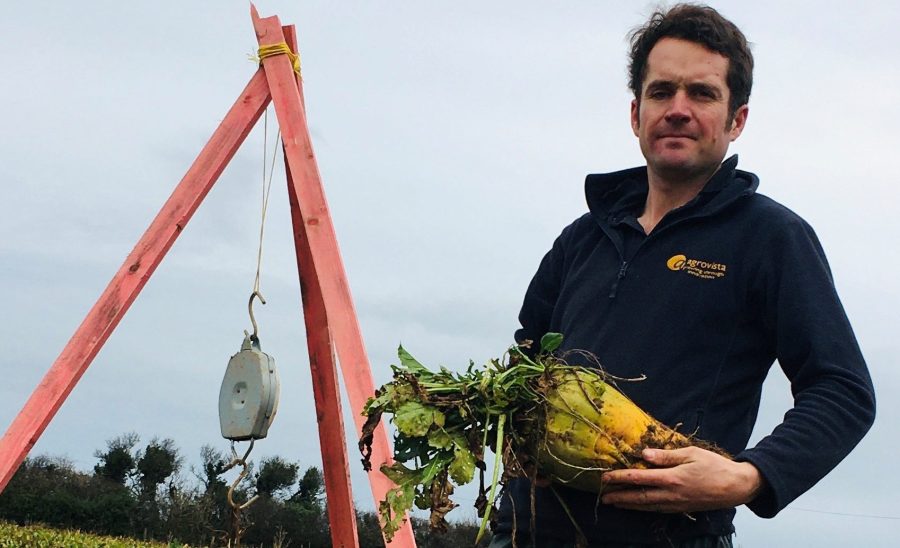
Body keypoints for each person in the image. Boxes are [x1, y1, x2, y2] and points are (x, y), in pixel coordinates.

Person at [491, 4, 876, 547]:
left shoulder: (771, 238)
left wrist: (750, 476)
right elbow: (526, 364)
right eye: (661, 92)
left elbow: (843, 390)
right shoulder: (582, 238)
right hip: (525, 532)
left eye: (702, 93)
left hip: (668, 538)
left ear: (736, 119)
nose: (677, 109)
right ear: (635, 114)